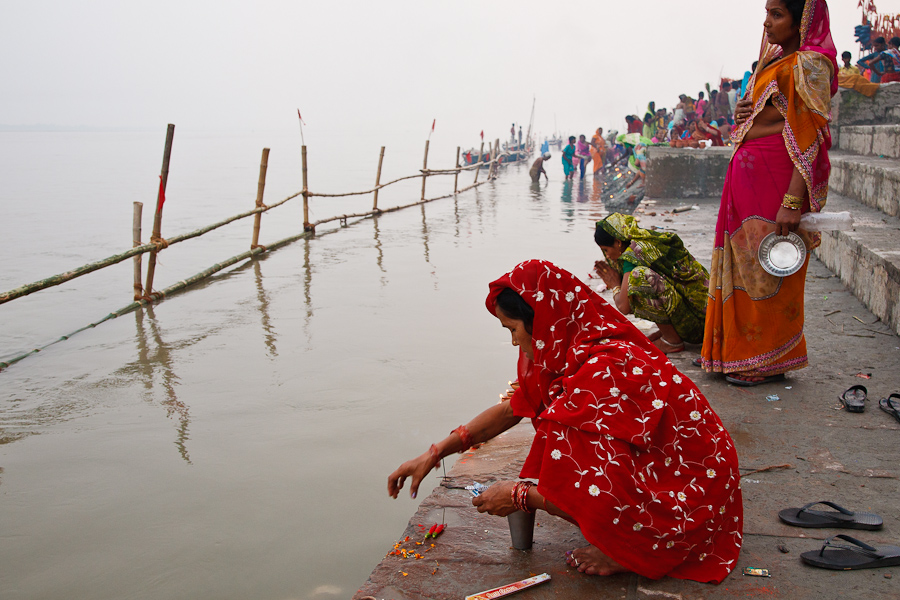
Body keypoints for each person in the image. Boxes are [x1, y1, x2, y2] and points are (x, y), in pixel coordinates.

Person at [387, 260, 743, 582]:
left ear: (542, 321)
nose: (513, 342)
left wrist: (519, 495)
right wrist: (436, 453)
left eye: (513, 329)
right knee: (562, 429)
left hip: (693, 494)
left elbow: (599, 483)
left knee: (564, 440)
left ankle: (631, 551)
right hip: (678, 470)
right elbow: (515, 408)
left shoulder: (605, 367)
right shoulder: (571, 346)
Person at [700, 0, 837, 386]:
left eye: (777, 14)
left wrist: (793, 201)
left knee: (770, 266)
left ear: (802, 20)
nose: (767, 22)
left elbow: (811, 138)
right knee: (743, 267)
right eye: (767, 12)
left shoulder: (809, 64)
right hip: (747, 185)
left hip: (775, 184)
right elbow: (771, 117)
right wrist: (746, 111)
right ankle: (738, 353)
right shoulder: (772, 63)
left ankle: (767, 358)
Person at [593, 214, 710, 353]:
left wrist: (614, 285)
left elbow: (624, 307)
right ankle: (668, 333)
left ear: (618, 242)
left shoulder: (634, 255)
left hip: (699, 327)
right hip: (705, 321)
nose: (607, 256)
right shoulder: (645, 243)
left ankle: (671, 341)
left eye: (606, 250)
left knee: (640, 277)